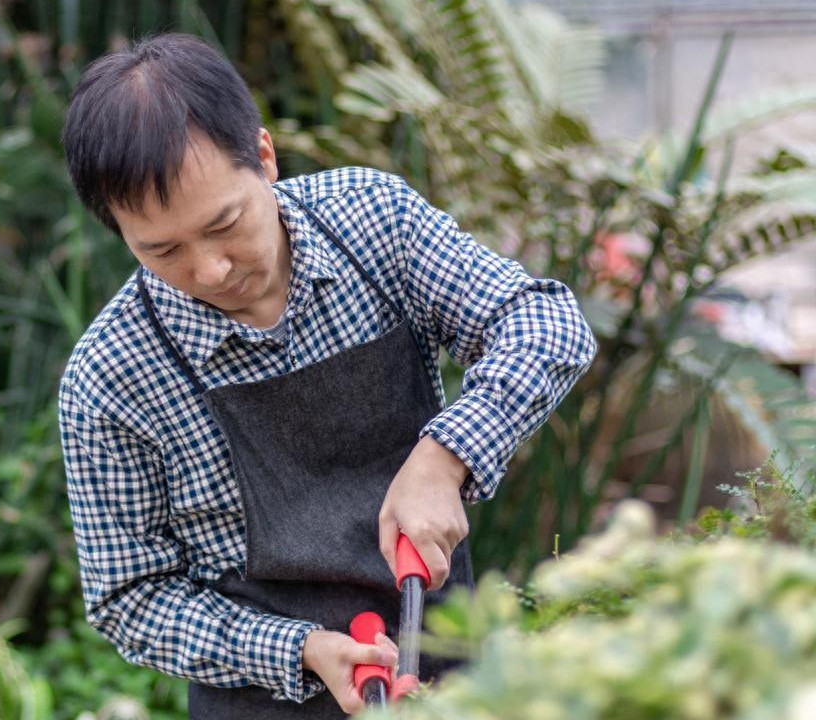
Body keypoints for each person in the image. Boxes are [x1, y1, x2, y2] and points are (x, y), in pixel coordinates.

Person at [57, 33, 596, 718]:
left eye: (225, 224)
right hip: (264, 701)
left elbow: (545, 324)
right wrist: (300, 648)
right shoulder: (112, 376)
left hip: (452, 670)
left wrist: (444, 456)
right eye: (163, 250)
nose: (210, 270)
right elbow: (130, 598)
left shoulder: (373, 223)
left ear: (263, 156)